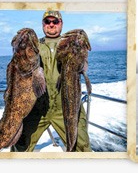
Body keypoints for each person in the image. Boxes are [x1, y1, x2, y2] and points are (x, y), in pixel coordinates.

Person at [11, 10, 91, 152]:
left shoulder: (71, 43)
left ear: (61, 24)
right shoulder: (34, 45)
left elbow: (82, 66)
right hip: (36, 107)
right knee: (19, 146)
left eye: (55, 21)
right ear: (43, 24)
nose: (51, 24)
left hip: (67, 105)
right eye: (47, 22)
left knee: (81, 145)